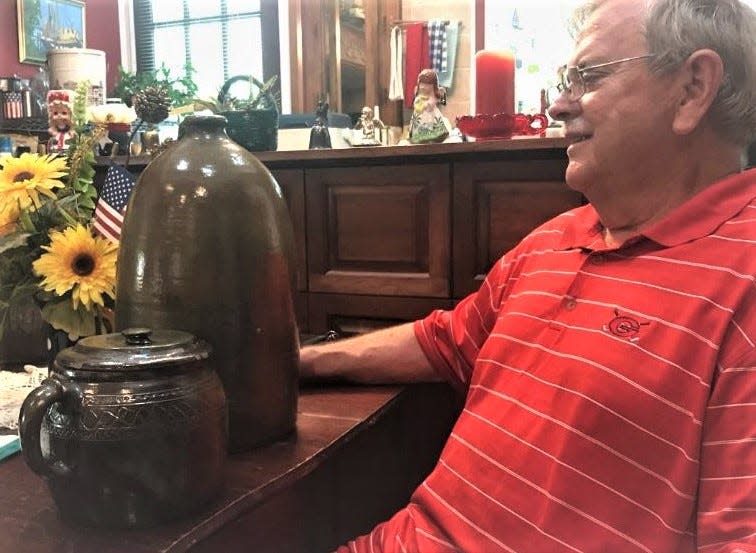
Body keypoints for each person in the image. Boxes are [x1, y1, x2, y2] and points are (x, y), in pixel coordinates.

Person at [300, 0, 756, 551]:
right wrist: (301, 362)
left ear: (692, 89)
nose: (558, 105)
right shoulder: (553, 238)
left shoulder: (744, 276)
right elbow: (446, 339)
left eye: (585, 77)